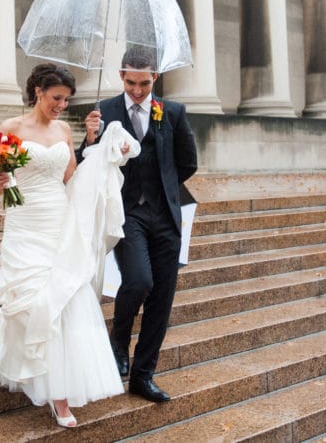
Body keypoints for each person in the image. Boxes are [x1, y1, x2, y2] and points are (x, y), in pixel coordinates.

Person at [0, 63, 124, 428]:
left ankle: (60, 395)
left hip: (58, 220)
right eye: (56, 97)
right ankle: (27, 365)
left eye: (66, 100)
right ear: (38, 91)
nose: (61, 105)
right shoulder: (11, 128)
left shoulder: (63, 130)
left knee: (62, 297)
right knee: (31, 297)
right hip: (24, 221)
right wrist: (0, 180)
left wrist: (94, 145)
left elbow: (71, 178)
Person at [81, 46, 198, 403]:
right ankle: (119, 339)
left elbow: (188, 162)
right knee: (139, 280)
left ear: (155, 78)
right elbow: (84, 164)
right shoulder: (105, 112)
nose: (137, 90)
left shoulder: (173, 112)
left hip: (165, 217)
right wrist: (89, 139)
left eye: (144, 84)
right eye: (131, 82)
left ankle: (143, 377)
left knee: (161, 300)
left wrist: (163, 186)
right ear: (121, 76)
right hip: (126, 213)